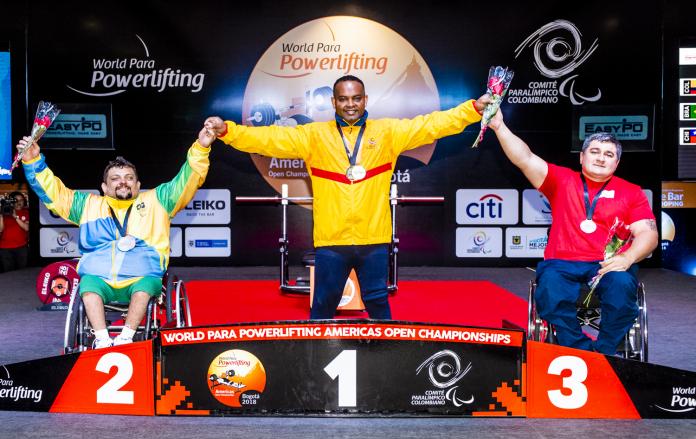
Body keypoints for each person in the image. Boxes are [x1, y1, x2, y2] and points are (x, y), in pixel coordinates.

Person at [205, 74, 490, 320]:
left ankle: (388, 362)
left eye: (355, 99)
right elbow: (267, 139)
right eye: (343, 99)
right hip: (332, 242)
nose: (350, 105)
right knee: (322, 307)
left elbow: (432, 125)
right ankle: (313, 366)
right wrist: (228, 131)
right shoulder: (314, 136)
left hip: (374, 240)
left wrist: (472, 110)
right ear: (333, 102)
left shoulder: (388, 133)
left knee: (378, 304)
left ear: (366, 99)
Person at [17, 125, 214, 348]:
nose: (123, 181)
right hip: (100, 278)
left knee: (145, 286)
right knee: (88, 285)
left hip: (141, 276)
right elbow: (53, 192)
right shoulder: (87, 205)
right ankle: (101, 339)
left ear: (138, 185)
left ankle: (125, 338)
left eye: (129, 178)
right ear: (104, 186)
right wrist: (33, 161)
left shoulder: (159, 200)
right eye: (115, 178)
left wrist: (201, 148)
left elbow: (188, 178)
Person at [489, 109, 658, 355]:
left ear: (617, 163)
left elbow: (648, 234)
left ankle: (606, 351)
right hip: (562, 262)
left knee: (622, 288)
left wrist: (628, 257)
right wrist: (499, 126)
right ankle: (577, 350)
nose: (601, 158)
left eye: (609, 154)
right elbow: (524, 158)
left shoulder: (631, 192)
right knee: (549, 289)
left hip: (608, 264)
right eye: (595, 152)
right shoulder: (561, 180)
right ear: (582, 157)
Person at [0, 191, 30, 272]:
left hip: (21, 247)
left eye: (21, 200)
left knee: (22, 271)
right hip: (5, 248)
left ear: (24, 201)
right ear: (12, 202)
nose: (19, 202)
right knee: (8, 272)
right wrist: (1, 215)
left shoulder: (26, 212)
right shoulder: (5, 212)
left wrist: (15, 216)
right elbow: (0, 229)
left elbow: (26, 228)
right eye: (16, 200)